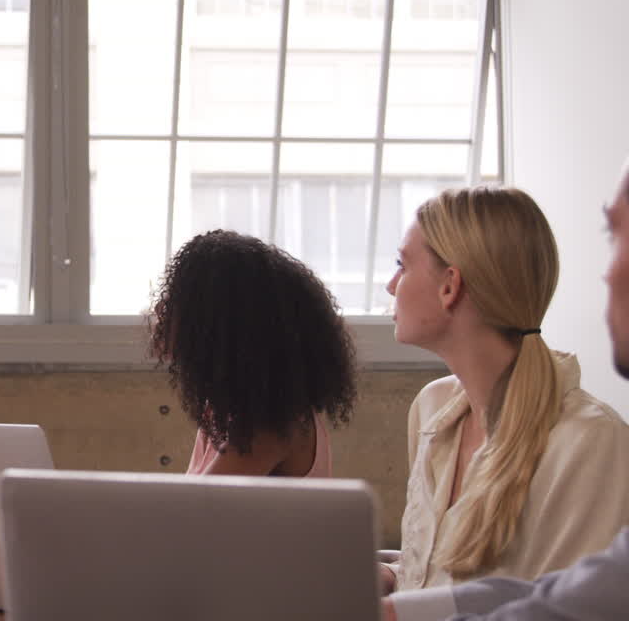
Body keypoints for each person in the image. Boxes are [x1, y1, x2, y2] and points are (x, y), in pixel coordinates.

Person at [381, 164, 629, 620]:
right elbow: (451, 575)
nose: (391, 284)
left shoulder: (592, 441)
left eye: (402, 265)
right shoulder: (432, 409)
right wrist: (394, 580)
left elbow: (569, 606)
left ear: (449, 286)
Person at [148, 230, 357, 476]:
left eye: (179, 298)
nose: (162, 307)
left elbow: (194, 509)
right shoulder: (225, 410)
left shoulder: (268, 427)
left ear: (222, 322)